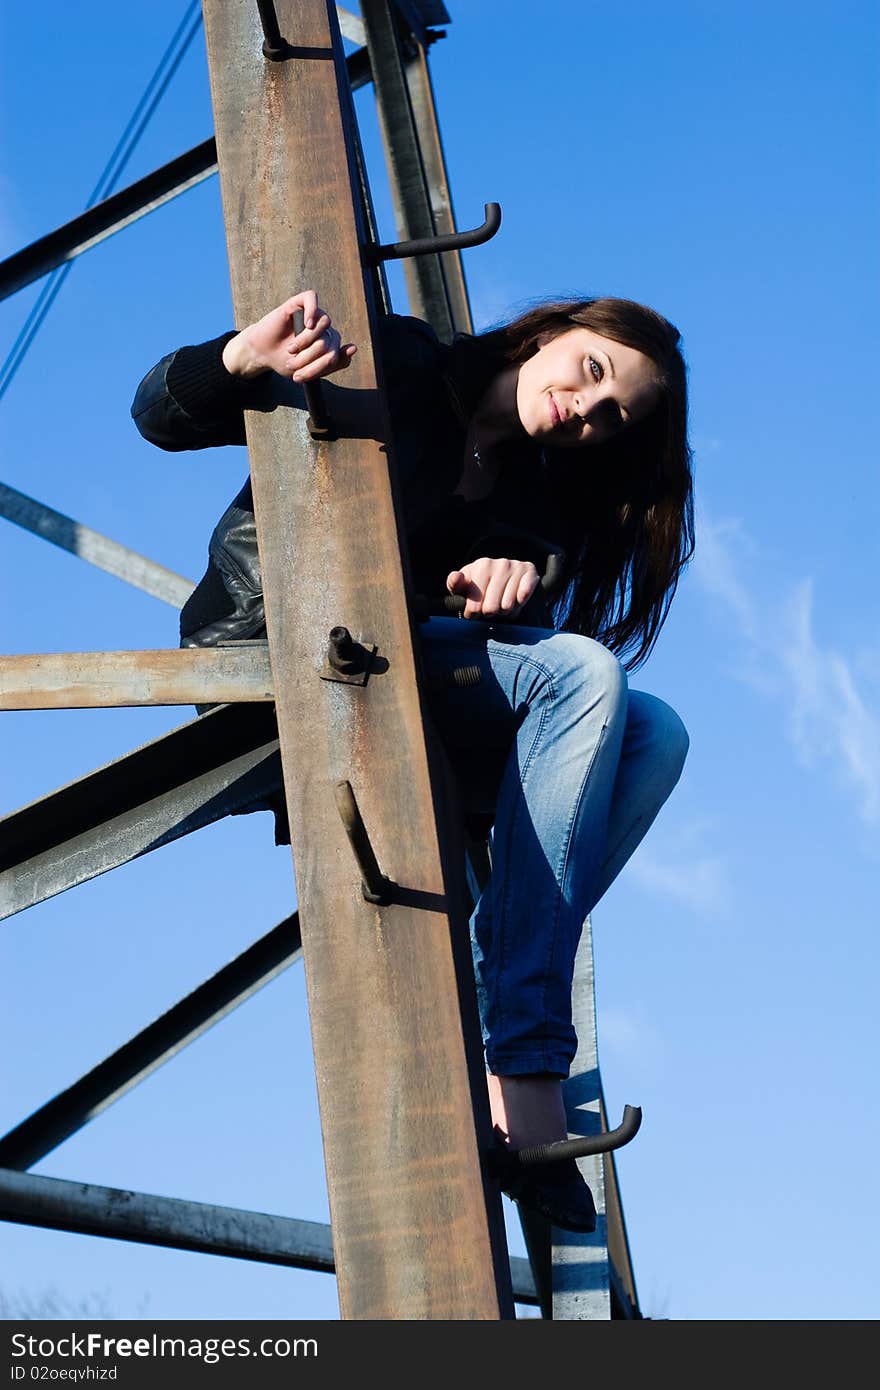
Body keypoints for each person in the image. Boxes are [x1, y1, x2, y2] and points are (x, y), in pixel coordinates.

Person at [131, 288, 694, 1232]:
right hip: (281, 651)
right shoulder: (396, 355)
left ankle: (507, 1001)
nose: (586, 410)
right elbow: (157, 414)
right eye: (592, 372)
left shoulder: (532, 500)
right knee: (587, 675)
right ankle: (524, 1065)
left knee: (657, 732)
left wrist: (504, 586)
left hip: (403, 686)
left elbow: (517, 658)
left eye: (610, 420)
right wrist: (240, 359)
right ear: (550, 333)